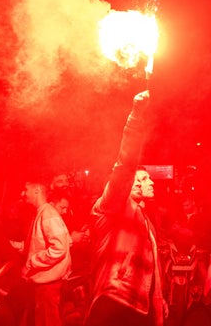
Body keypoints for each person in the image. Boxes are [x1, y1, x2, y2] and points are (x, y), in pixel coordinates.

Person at [84, 90, 168, 326]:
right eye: (142, 179)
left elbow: (152, 270)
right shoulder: (113, 205)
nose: (150, 182)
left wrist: (157, 300)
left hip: (138, 305)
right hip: (114, 301)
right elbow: (125, 164)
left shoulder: (144, 217)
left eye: (148, 179)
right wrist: (136, 117)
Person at [20, 180, 72, 326]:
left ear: (37, 190)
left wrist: (32, 261)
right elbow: (66, 242)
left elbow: (59, 248)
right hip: (46, 283)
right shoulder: (44, 213)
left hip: (48, 284)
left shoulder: (48, 214)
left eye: (26, 189)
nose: (23, 194)